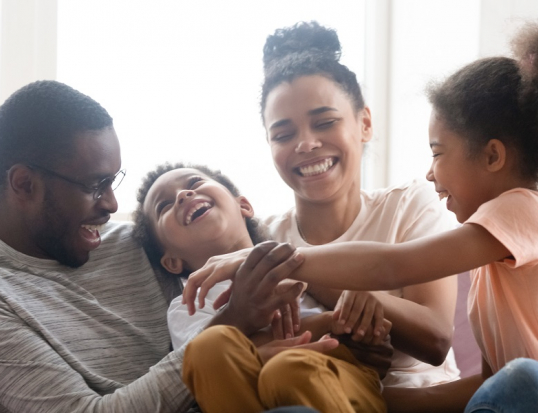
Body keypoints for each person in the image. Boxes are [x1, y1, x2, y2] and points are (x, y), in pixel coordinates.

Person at [193, 17, 538, 412]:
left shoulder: (529, 209)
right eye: (283, 132)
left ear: (492, 156)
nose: (430, 172)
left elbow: (392, 264)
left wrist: (265, 259)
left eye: (438, 152)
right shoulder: (491, 277)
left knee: (524, 378)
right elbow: (487, 387)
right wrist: (365, 398)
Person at [0, 80, 321, 413]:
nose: (111, 205)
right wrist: (235, 319)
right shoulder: (5, 302)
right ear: (24, 184)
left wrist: (356, 314)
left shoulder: (137, 242)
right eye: (95, 186)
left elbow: (266, 256)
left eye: (113, 181)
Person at [184, 21, 461, 390]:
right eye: (283, 134)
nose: (306, 143)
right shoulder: (263, 236)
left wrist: (300, 268)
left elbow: (436, 339)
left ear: (364, 123)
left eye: (325, 122)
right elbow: (235, 353)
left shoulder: (409, 203)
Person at [132, 162, 393, 413]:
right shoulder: (187, 305)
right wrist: (324, 323)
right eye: (164, 205)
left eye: (195, 182)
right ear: (172, 262)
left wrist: (360, 314)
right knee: (206, 347)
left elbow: (356, 325)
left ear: (243, 205)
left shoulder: (300, 262)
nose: (183, 194)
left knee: (288, 369)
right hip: (249, 389)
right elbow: (212, 368)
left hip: (335, 374)